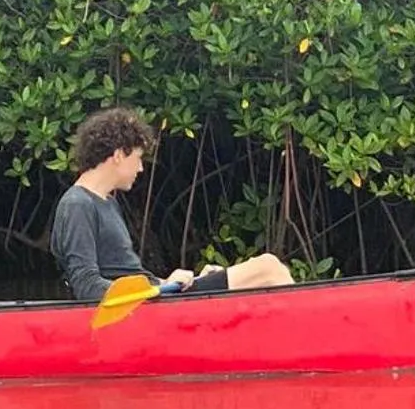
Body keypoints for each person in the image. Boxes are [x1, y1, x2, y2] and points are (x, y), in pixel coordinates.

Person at [50, 107, 294, 303]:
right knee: (268, 268)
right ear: (118, 156)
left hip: (150, 297)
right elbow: (87, 287)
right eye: (137, 158)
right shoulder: (77, 204)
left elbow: (128, 277)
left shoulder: (108, 203)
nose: (141, 168)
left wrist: (171, 282)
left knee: (266, 272)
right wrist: (161, 287)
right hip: (140, 305)